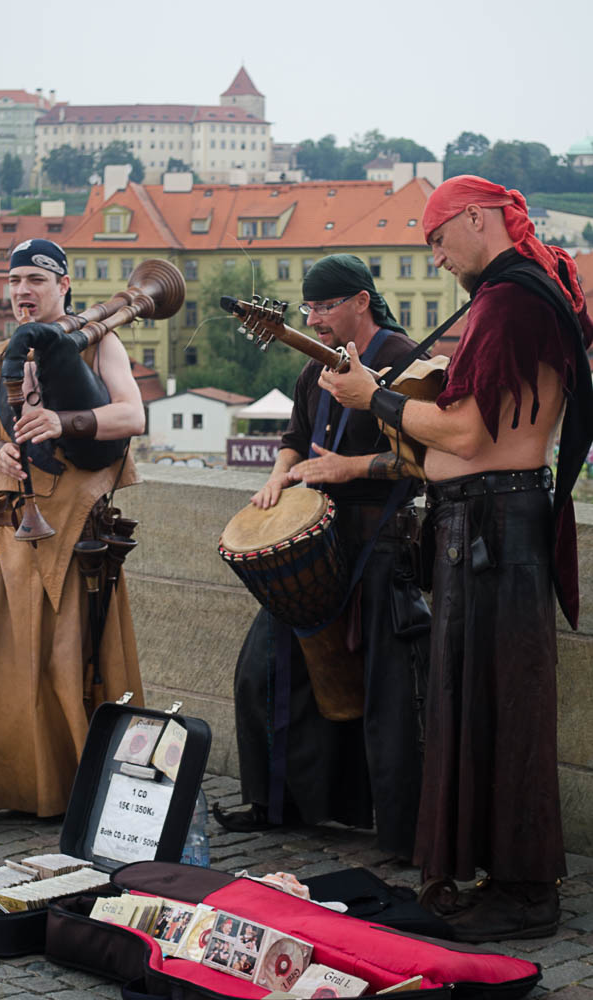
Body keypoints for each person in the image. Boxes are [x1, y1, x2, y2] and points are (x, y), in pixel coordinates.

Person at [318, 177, 593, 941]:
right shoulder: (533, 288)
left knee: (502, 710)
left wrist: (374, 399)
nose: (435, 257)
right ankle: (507, 881)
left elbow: (470, 432)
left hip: (494, 529)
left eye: (437, 239)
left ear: (478, 218)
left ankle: (525, 893)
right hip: (497, 526)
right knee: (489, 707)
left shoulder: (509, 300)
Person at [215, 254, 430, 862]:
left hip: (379, 542)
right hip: (314, 543)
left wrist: (346, 468)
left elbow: (423, 460)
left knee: (386, 695)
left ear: (361, 301)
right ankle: (276, 804)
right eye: (307, 308)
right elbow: (293, 440)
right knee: (264, 672)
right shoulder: (316, 365)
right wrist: (278, 477)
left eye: (325, 307)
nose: (313, 319)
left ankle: (400, 834)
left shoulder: (406, 361)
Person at [0, 238, 145, 823]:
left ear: (63, 286)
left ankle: (67, 790)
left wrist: (63, 419)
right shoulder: (1, 352)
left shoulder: (100, 343)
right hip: (4, 530)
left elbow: (132, 415)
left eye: (36, 280)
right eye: (15, 280)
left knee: (65, 662)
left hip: (74, 535)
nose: (23, 290)